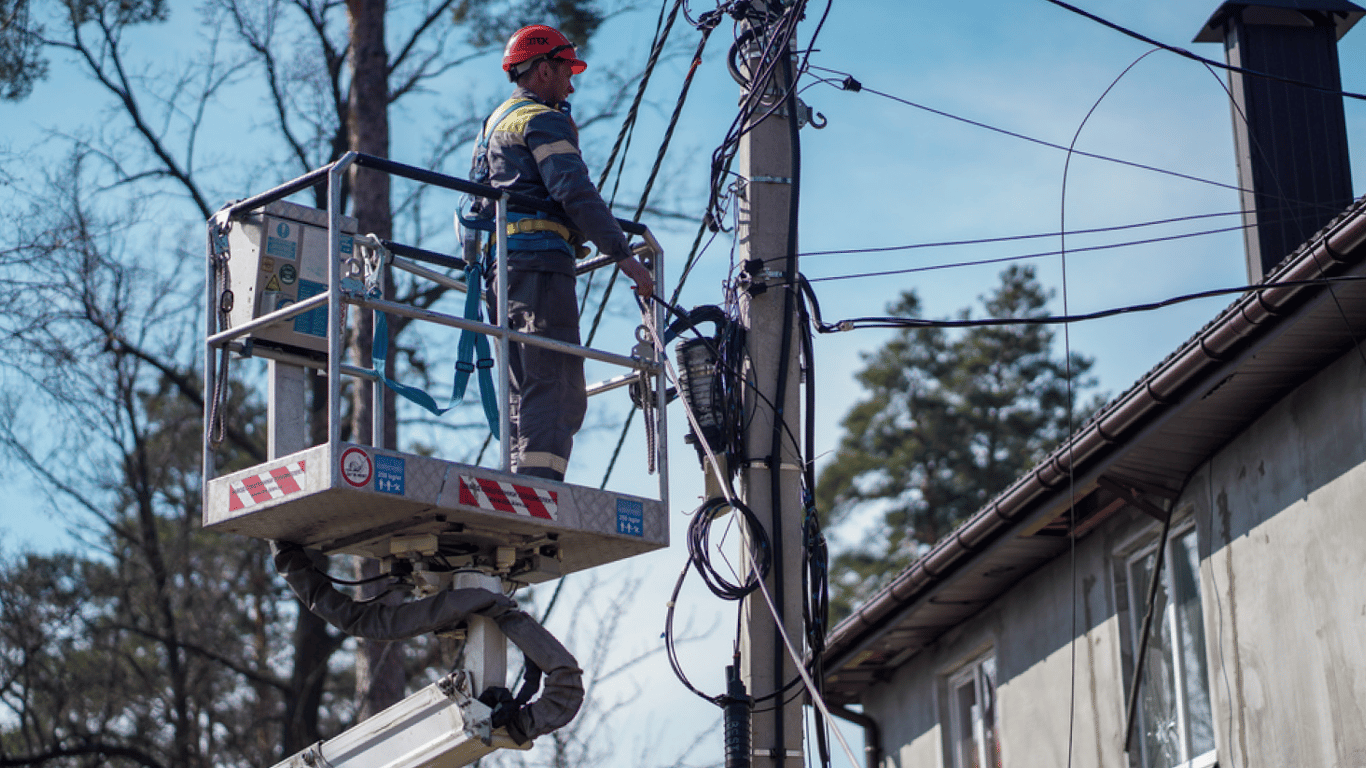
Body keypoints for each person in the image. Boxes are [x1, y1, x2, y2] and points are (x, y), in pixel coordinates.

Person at [461, 24, 654, 482]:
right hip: (541, 265)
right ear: (543, 69)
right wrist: (621, 254)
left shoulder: (493, 123)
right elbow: (573, 189)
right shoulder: (540, 118)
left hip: (501, 273)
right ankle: (540, 488)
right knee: (558, 382)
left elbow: (478, 203)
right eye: (568, 72)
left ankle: (518, 478)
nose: (572, 84)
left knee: (523, 383)